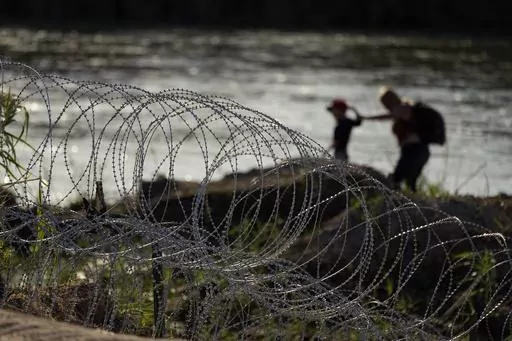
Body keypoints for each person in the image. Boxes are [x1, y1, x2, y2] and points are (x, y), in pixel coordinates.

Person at [364, 87, 432, 192]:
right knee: (410, 180)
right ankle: (411, 201)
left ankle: (399, 202)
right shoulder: (407, 109)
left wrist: (366, 118)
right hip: (420, 150)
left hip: (413, 150)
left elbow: (387, 116)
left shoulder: (402, 108)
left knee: (398, 178)